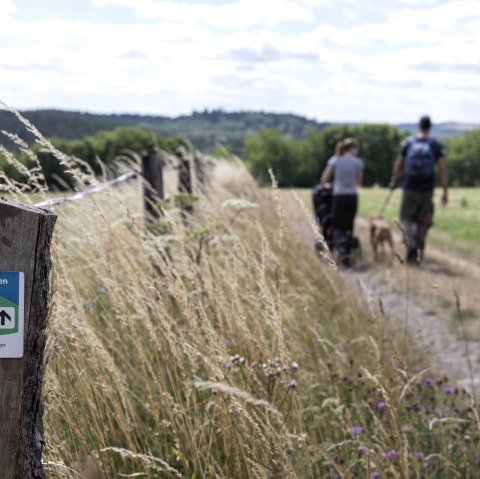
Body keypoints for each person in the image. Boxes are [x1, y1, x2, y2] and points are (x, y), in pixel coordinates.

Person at [389, 115, 448, 264]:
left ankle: (411, 244)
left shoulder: (409, 142)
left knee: (405, 218)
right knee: (422, 222)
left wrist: (394, 180)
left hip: (410, 186)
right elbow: (442, 169)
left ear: (419, 126)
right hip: (427, 188)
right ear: (430, 127)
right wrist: (445, 191)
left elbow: (399, 163)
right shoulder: (436, 145)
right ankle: (418, 253)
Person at [320, 138, 363, 266]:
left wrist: (327, 185)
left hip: (339, 196)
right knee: (348, 223)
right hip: (352, 196)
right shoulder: (358, 162)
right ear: (352, 149)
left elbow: (324, 179)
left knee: (338, 224)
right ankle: (348, 252)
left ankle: (340, 250)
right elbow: (359, 182)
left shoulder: (335, 160)